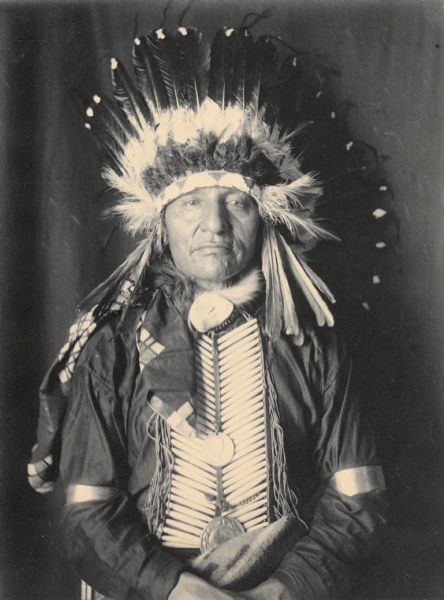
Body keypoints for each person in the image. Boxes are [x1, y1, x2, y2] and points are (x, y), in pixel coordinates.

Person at [28, 23, 388, 600]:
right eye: (190, 203)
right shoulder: (114, 346)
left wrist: (286, 589)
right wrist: (176, 589)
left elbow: (358, 498)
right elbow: (86, 513)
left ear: (266, 217)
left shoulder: (310, 338)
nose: (214, 226)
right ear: (160, 225)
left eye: (237, 203)